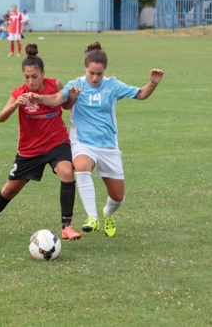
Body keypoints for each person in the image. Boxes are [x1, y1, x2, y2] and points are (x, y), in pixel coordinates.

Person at [26, 42, 164, 237]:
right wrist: (38, 98)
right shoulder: (76, 85)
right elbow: (57, 99)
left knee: (117, 197)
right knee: (81, 167)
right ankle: (92, 218)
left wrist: (153, 83)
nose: (95, 77)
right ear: (86, 69)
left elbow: (141, 94)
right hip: (83, 143)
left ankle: (108, 214)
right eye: (91, 73)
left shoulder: (113, 85)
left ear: (104, 71)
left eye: (99, 74)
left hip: (108, 146)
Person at [0, 44, 82, 241]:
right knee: (9, 190)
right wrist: (15, 105)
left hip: (56, 142)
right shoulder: (19, 93)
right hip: (30, 150)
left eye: (34, 76)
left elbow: (65, 105)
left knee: (66, 172)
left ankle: (67, 226)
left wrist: (73, 98)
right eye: (27, 77)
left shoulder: (55, 84)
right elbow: (0, 117)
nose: (31, 81)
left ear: (43, 73)